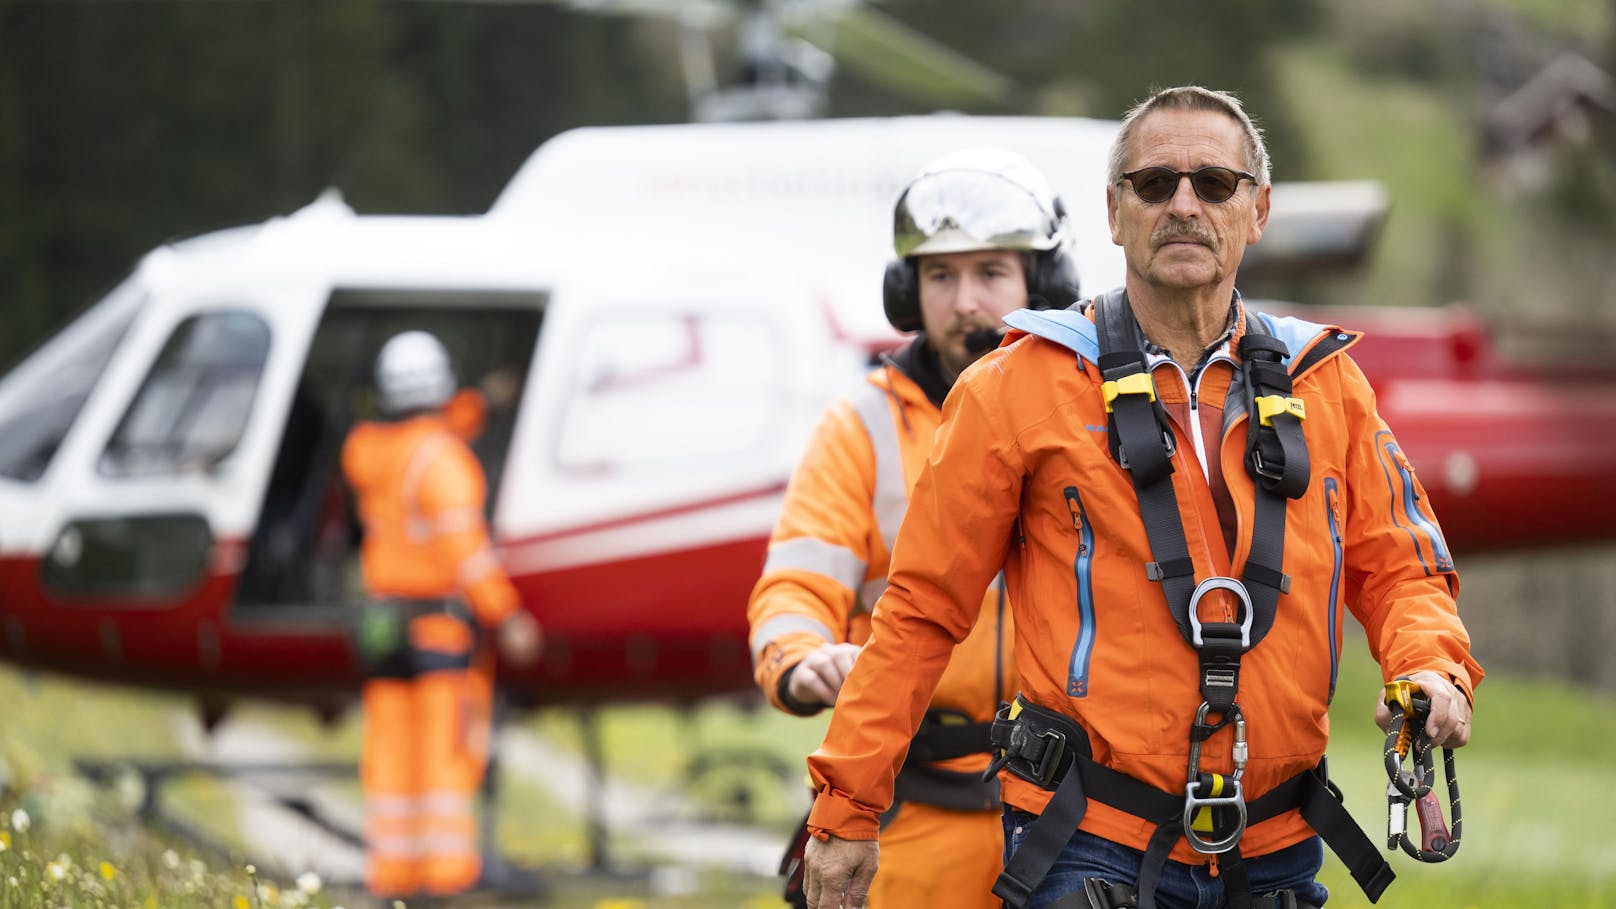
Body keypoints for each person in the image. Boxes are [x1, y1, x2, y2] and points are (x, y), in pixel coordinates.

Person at [801, 86, 1484, 909]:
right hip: (1088, 843)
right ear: (1115, 212)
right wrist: (847, 811)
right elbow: (920, 611)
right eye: (1155, 184)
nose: (1184, 204)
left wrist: (1429, 668)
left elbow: (1402, 568)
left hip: (1276, 851)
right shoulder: (1015, 386)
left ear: (1258, 209)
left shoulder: (1327, 384)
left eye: (1216, 184)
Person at [748, 147, 1081, 908]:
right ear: (908, 289)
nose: (965, 300)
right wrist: (799, 660)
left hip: (1073, 819)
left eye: (991, 272)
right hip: (908, 813)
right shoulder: (858, 425)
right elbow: (798, 577)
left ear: (1045, 283)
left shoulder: (1093, 415)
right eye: (940, 275)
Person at [341, 330, 543, 901]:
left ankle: (393, 877)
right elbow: (467, 554)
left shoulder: (369, 452)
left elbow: (428, 430)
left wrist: (480, 402)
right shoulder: (444, 462)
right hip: (438, 631)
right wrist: (507, 617)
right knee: (444, 758)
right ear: (440, 386)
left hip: (384, 631)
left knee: (390, 759)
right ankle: (446, 879)